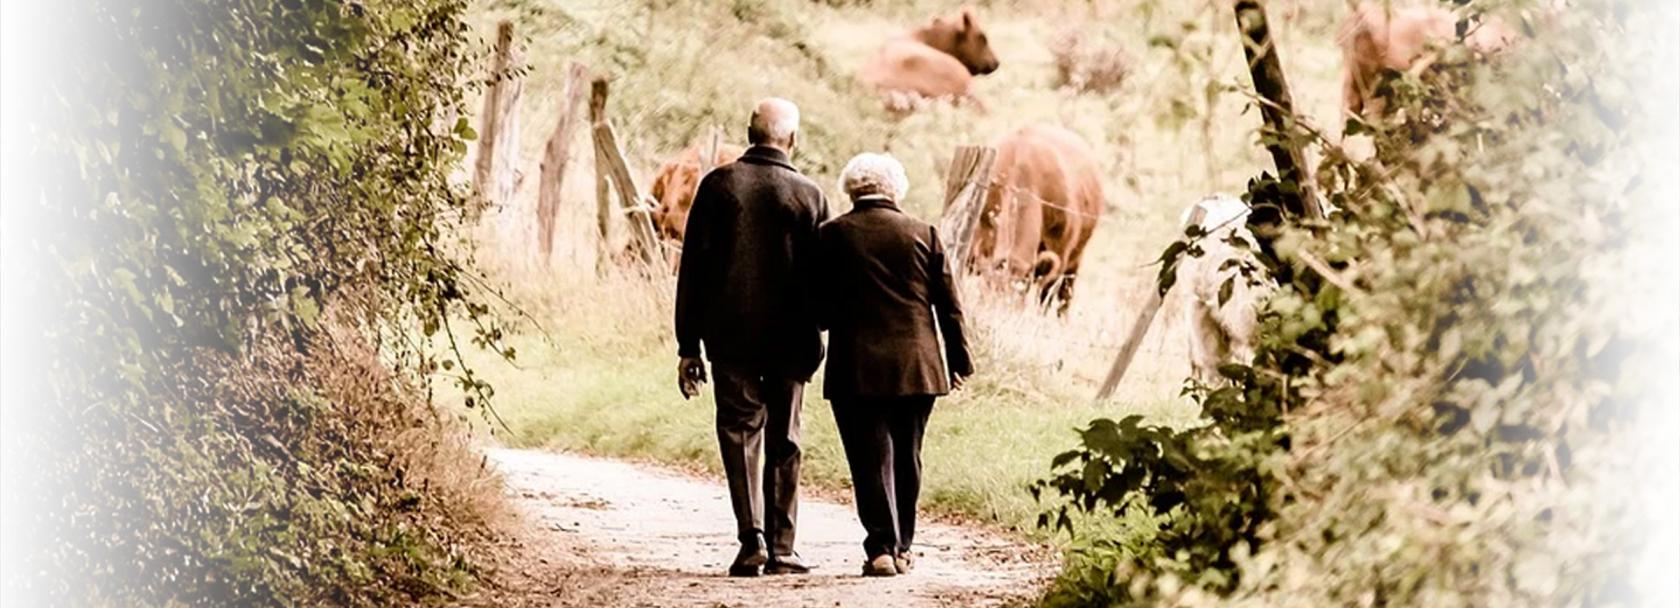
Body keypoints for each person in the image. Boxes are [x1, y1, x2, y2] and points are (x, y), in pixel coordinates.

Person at [673, 98, 829, 577]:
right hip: (793, 339)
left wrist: (688, 345)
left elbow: (693, 271)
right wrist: (821, 328)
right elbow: (824, 276)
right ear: (793, 140)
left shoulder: (719, 186)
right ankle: (783, 547)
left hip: (730, 336)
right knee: (786, 438)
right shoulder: (809, 195)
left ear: (748, 133)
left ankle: (751, 539)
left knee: (740, 432)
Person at [815, 153, 973, 577]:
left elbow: (819, 308)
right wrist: (959, 359)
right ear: (895, 189)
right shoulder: (924, 233)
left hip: (856, 366)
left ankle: (881, 548)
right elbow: (949, 306)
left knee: (868, 458)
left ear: (851, 189)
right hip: (917, 365)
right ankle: (903, 546)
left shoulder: (831, 235)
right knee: (908, 454)